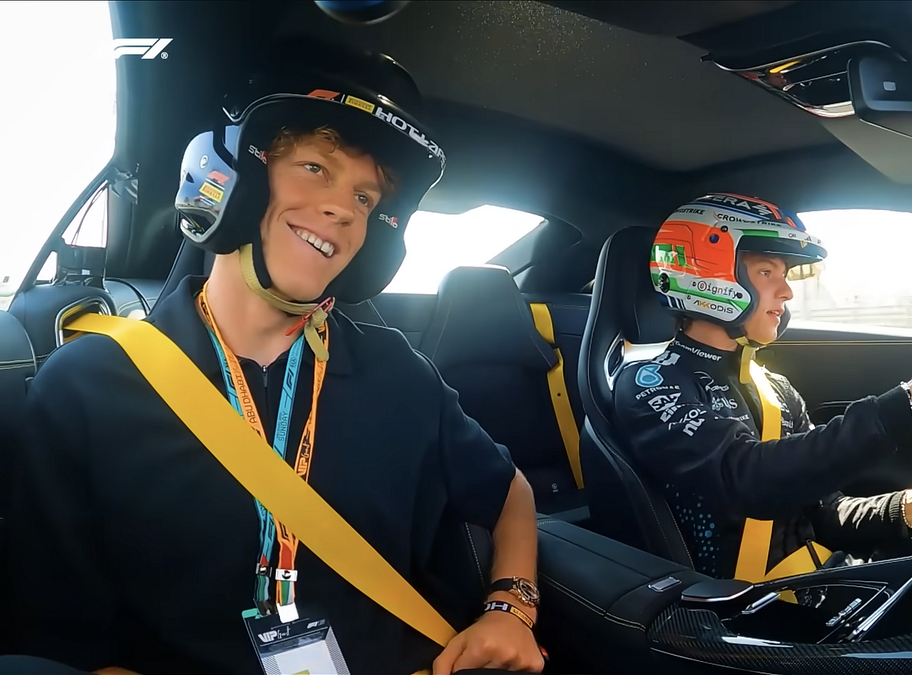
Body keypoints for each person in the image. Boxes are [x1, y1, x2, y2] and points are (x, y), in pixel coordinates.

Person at [6, 38, 545, 675]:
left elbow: (507, 491)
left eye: (366, 198)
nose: (342, 209)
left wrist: (512, 607)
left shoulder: (399, 372)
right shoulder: (87, 386)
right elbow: (63, 630)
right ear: (232, 181)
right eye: (314, 167)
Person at [612, 193, 912, 579]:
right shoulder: (652, 384)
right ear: (706, 275)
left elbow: (825, 512)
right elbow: (748, 480)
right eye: (766, 272)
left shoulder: (775, 387)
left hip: (817, 581)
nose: (787, 291)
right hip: (742, 608)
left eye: (785, 275)